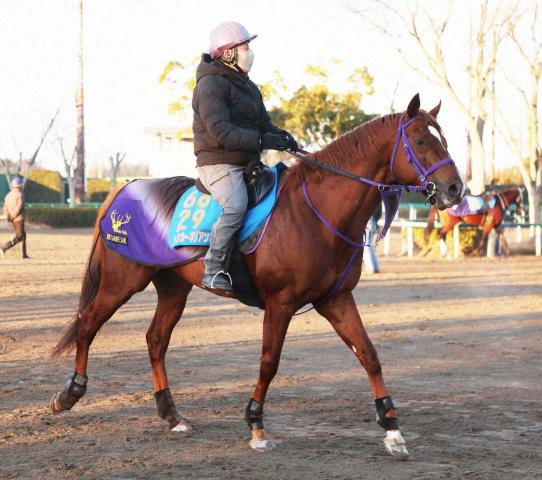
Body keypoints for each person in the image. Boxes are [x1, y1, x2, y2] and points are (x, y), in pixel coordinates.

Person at [193, 21, 297, 292]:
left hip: (249, 162)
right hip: (218, 163)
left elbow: (264, 126)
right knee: (236, 205)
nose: (249, 52)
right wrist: (263, 140)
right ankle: (213, 268)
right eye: (245, 47)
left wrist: (281, 136)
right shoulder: (209, 86)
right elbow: (220, 132)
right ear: (227, 53)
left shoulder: (249, 87)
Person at [1, 176, 29, 259]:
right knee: (19, 236)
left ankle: (24, 254)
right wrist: (13, 216)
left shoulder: (8, 195)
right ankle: (4, 247)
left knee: (23, 235)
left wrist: (8, 216)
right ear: (19, 185)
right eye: (21, 184)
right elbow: (19, 207)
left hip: (12, 219)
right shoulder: (20, 194)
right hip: (18, 219)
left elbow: (5, 207)